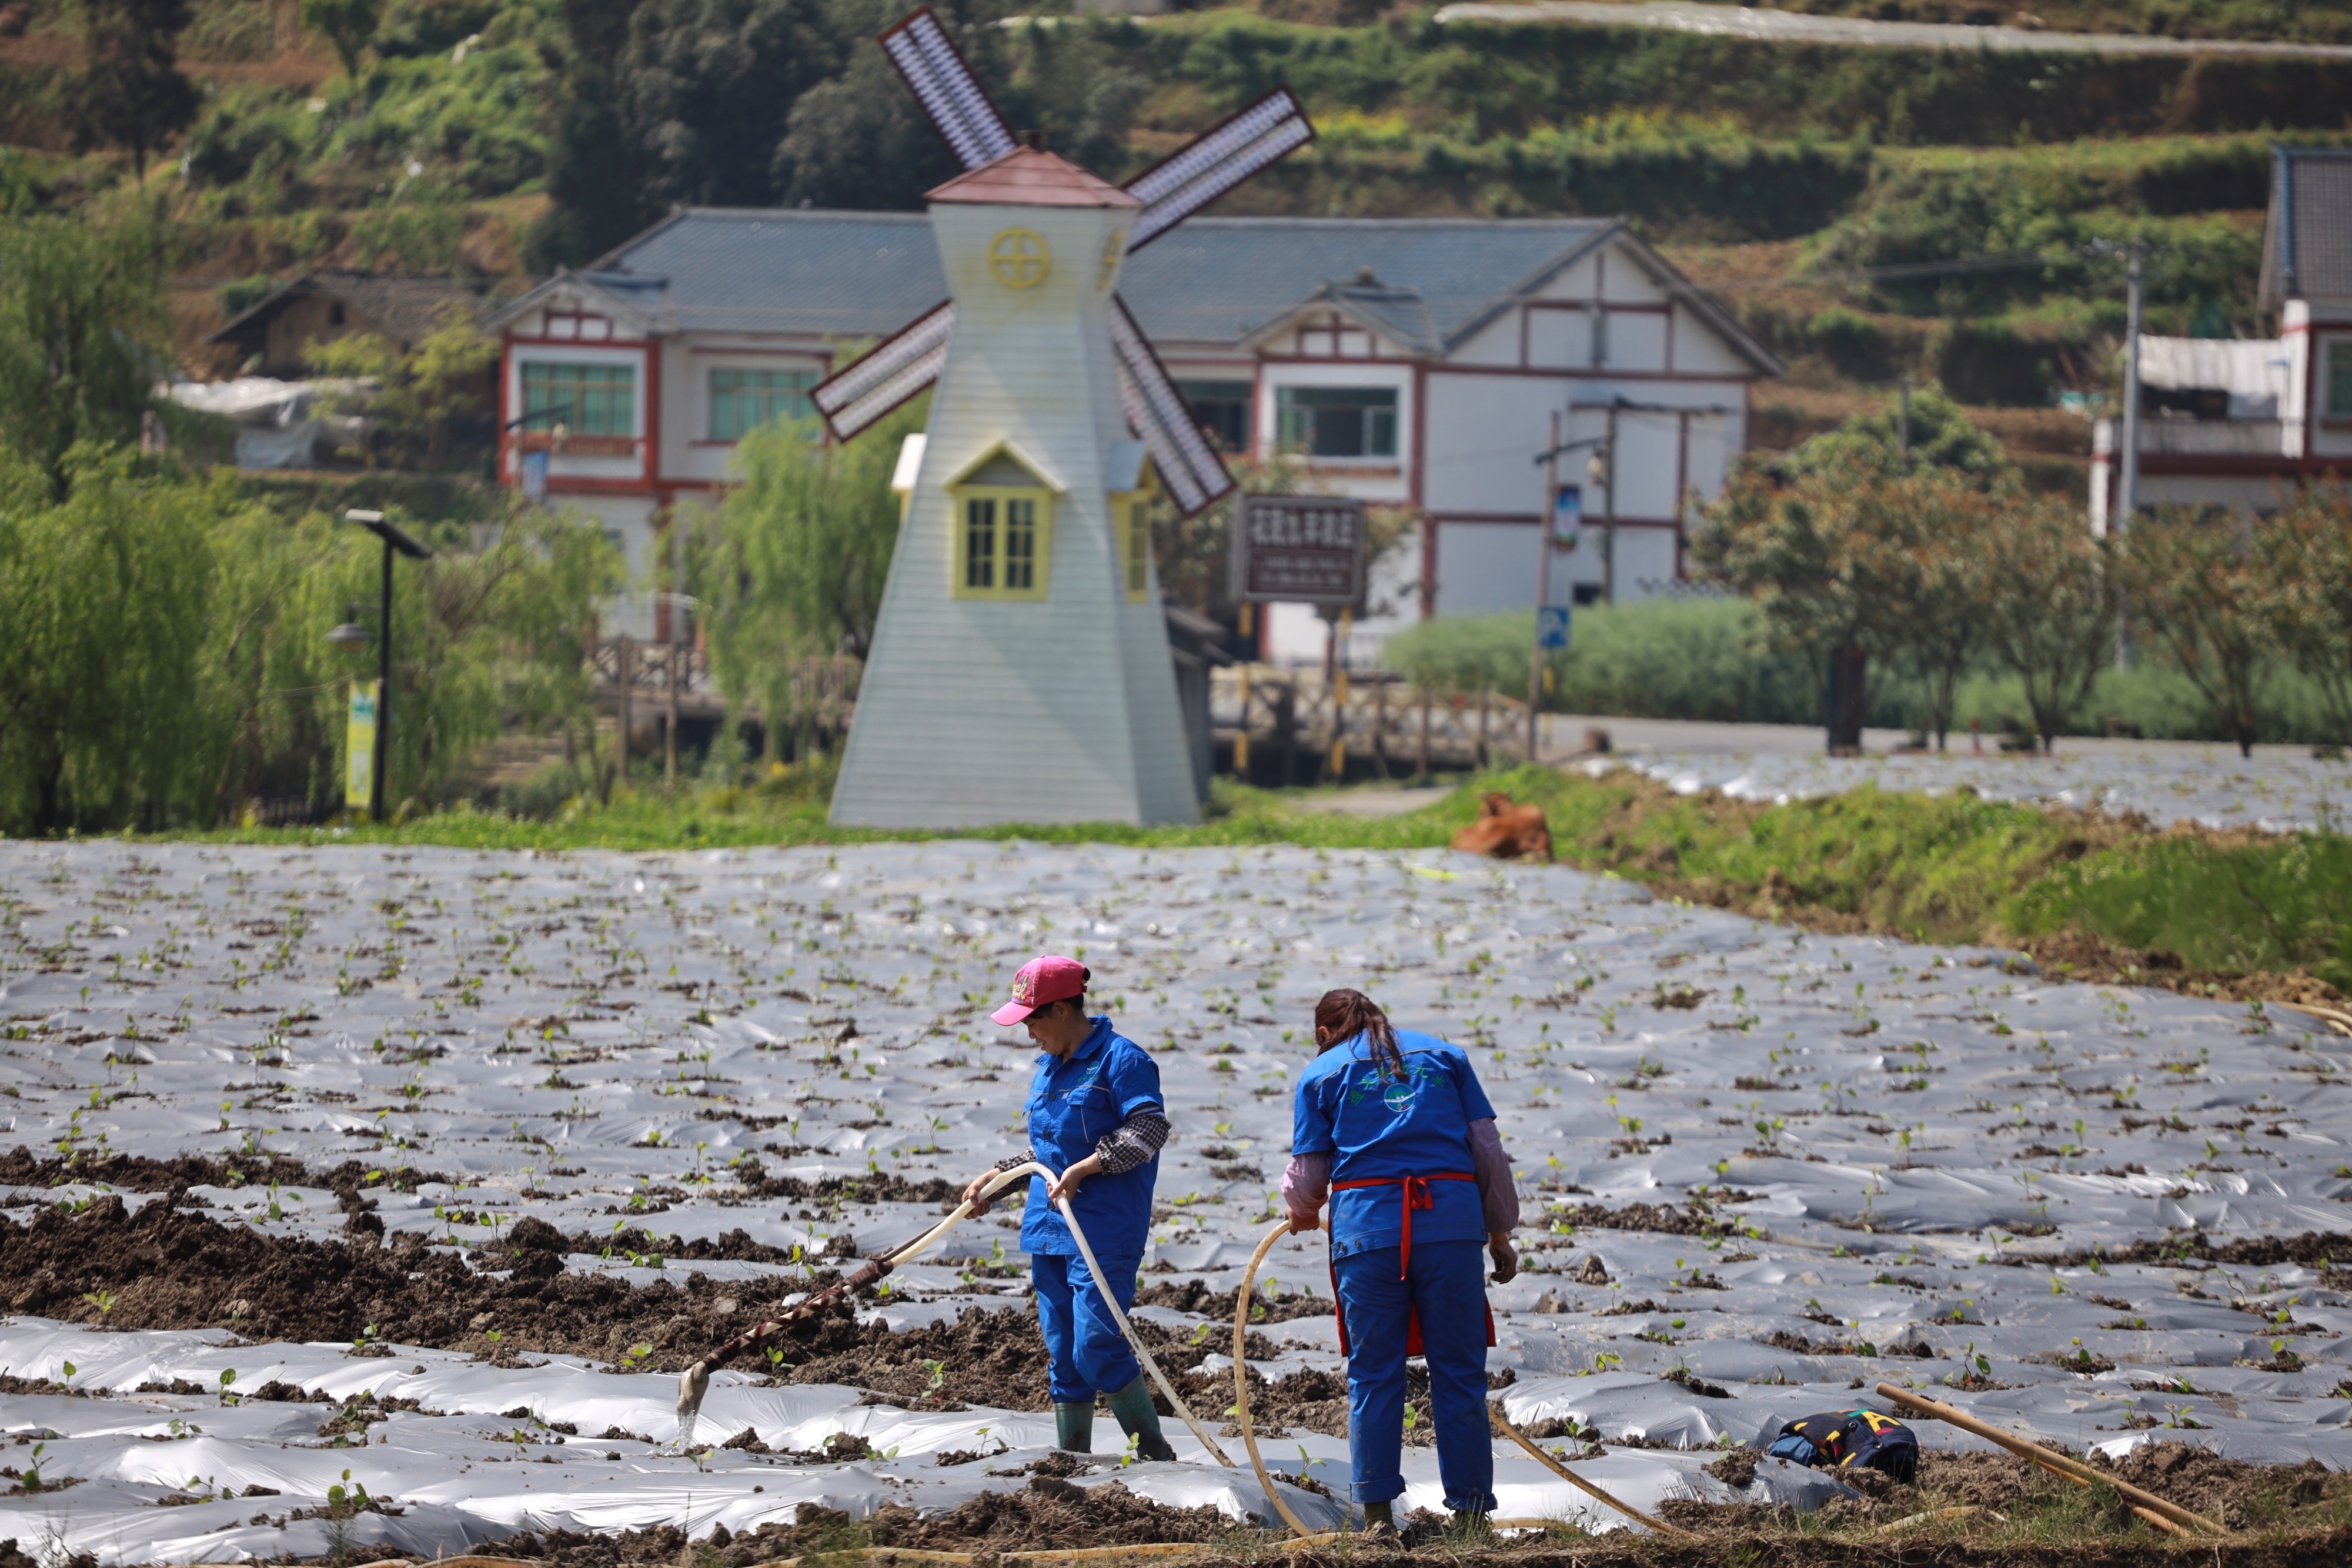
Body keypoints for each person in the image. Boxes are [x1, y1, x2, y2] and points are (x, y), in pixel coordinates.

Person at [1282, 988, 1519, 1534]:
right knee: (1459, 1373)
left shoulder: (1323, 1072)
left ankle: (1377, 1518)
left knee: (1374, 1373)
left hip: (1369, 1230)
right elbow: (1487, 1149)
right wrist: (1499, 1230)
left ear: (1324, 1033)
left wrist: (1300, 1210)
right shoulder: (1445, 1057)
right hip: (1452, 1226)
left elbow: (1310, 1173)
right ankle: (1472, 1515)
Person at [960, 953, 1176, 1461]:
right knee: (1064, 1355)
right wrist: (1002, 1176)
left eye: (1032, 1018)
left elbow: (1149, 1130)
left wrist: (1090, 1167)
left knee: (1097, 1346)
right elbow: (1051, 1150)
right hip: (1049, 1226)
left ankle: (1156, 1455)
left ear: (1060, 1010)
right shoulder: (1049, 1068)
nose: (1028, 1031)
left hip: (1102, 1230)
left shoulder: (1122, 1061)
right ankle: (1072, 1460)